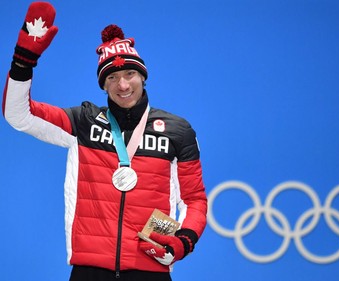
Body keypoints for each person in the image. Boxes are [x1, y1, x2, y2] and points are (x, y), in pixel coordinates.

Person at [2, 2, 207, 281]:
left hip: (150, 270)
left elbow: (194, 200)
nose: (123, 85)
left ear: (143, 77)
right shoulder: (84, 122)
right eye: (112, 77)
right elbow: (18, 115)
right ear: (104, 85)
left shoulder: (177, 130)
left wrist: (183, 240)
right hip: (89, 271)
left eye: (130, 74)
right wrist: (23, 62)